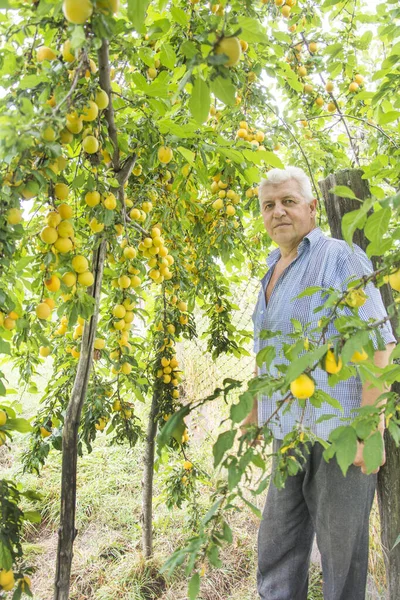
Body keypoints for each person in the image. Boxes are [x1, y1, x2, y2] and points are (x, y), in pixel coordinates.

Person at [242, 166, 396, 600]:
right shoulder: (271, 270)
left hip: (339, 437)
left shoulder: (338, 258)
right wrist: (257, 409)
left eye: (288, 201)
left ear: (312, 208)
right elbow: (266, 350)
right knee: (276, 547)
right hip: (288, 435)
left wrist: (370, 430)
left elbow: (379, 345)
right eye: (268, 206)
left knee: (340, 558)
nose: (278, 212)